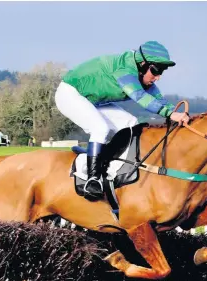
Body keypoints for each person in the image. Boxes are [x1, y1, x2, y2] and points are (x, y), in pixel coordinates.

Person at [54, 41, 190, 201]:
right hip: (70, 94)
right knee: (100, 128)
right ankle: (92, 179)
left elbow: (159, 99)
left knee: (131, 123)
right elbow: (140, 97)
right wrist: (169, 114)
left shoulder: (142, 74)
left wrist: (177, 114)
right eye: (156, 70)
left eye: (162, 71)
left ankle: (110, 165)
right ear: (143, 64)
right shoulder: (125, 69)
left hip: (92, 101)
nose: (158, 76)